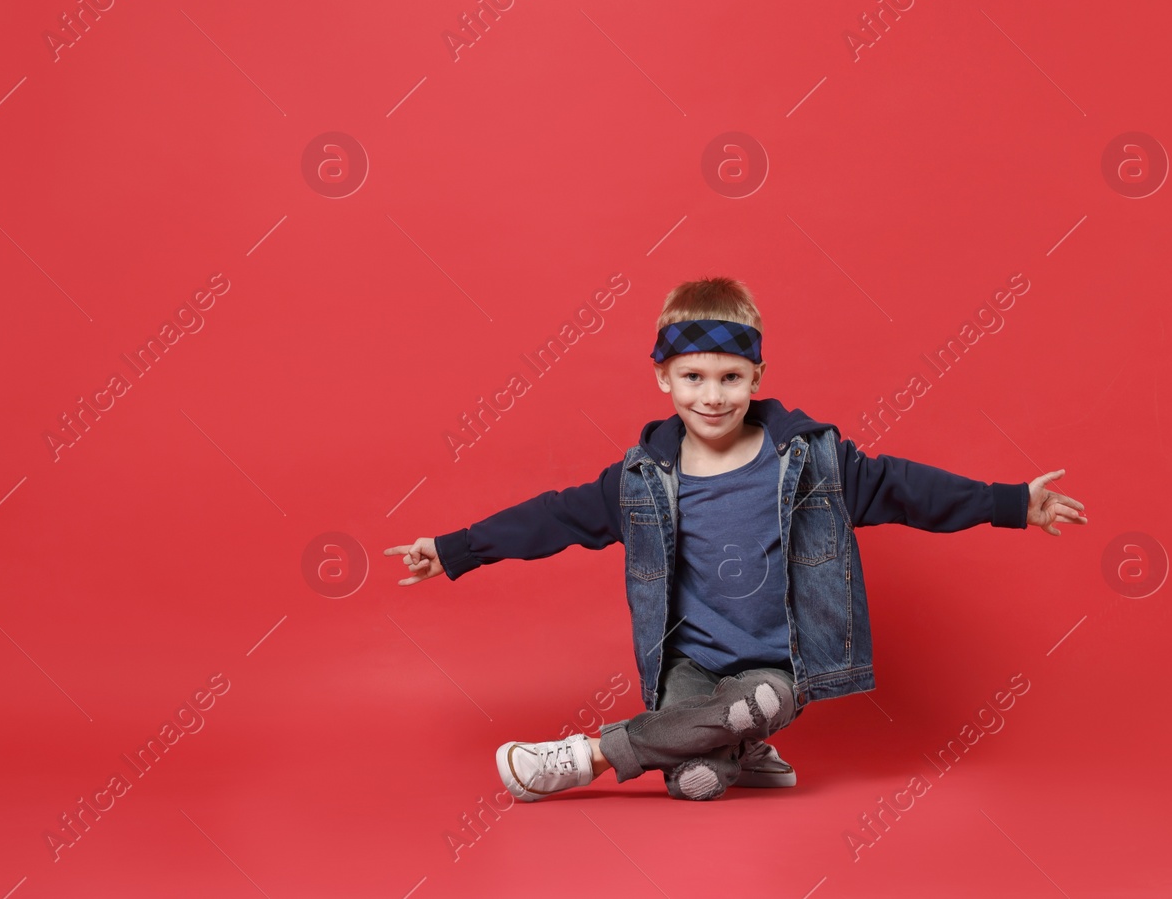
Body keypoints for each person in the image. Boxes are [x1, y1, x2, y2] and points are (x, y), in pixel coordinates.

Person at [384, 276, 1087, 802]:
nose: (711, 396)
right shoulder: (640, 480)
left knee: (761, 701)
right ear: (663, 377)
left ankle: (585, 756)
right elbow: (555, 516)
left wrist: (1011, 503)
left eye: (730, 377)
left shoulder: (811, 462)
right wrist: (455, 549)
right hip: (689, 662)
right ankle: (736, 748)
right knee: (694, 781)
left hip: (777, 667)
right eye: (692, 377)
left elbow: (909, 488)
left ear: (758, 378)